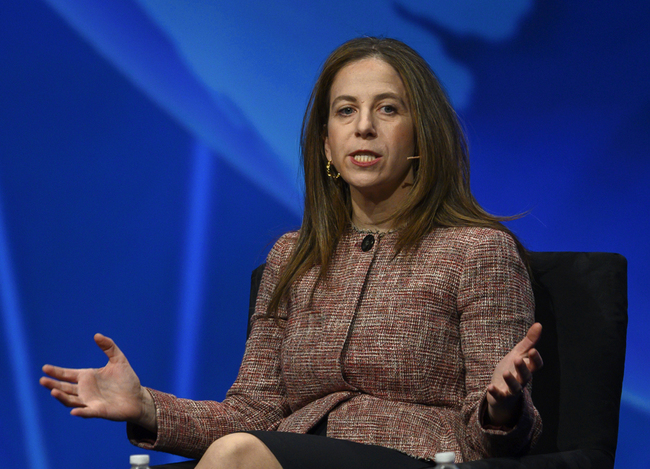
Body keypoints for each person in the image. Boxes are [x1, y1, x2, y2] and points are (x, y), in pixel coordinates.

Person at [40, 37, 543, 468]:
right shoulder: (295, 256)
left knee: (237, 457)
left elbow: (493, 442)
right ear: (326, 145)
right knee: (237, 451)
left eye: (388, 109)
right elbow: (251, 412)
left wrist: (500, 406)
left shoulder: (478, 252)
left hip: (411, 456)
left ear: (421, 136)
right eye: (346, 110)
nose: (363, 127)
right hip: (289, 453)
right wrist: (145, 406)